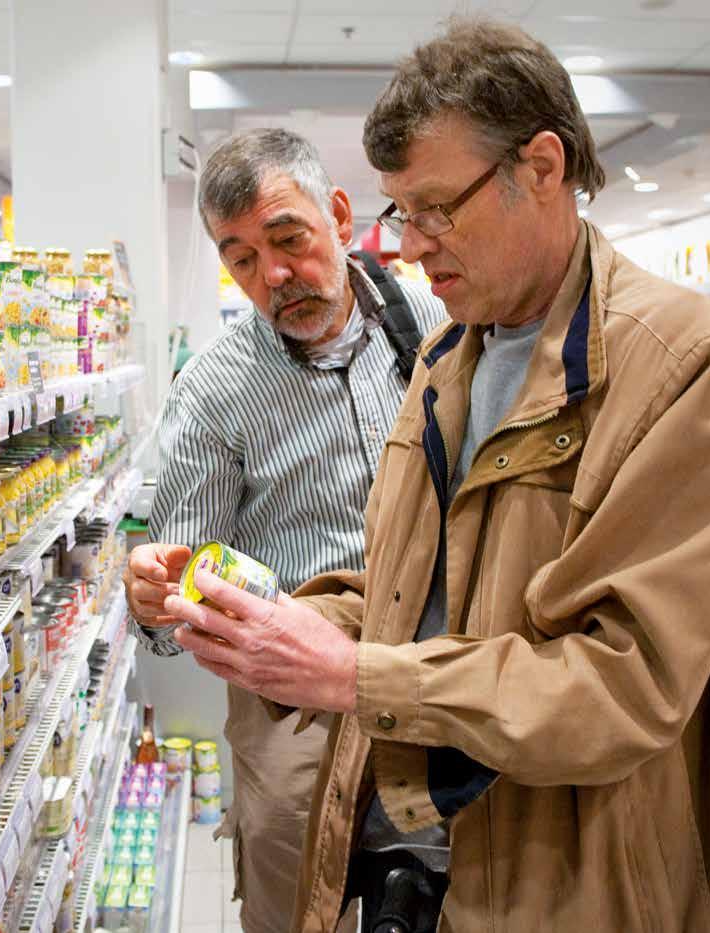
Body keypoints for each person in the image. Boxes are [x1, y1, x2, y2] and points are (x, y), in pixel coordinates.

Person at [162, 18, 710, 933]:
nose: (412, 246)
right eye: (401, 214)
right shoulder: (448, 353)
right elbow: (415, 590)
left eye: (435, 208)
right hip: (422, 853)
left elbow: (627, 680)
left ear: (540, 168)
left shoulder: (675, 359)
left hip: (571, 871)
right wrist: (285, 624)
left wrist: (359, 675)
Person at [124, 128, 445, 933]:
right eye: (238, 258)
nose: (270, 276)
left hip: (440, 683)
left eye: (287, 238)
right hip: (297, 723)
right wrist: (158, 598)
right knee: (300, 908)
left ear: (338, 214)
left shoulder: (439, 322)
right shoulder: (214, 390)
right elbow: (180, 595)